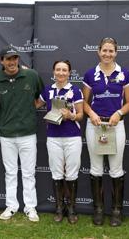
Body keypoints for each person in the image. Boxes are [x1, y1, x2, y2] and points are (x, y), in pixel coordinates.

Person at [82, 37, 129, 226]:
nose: (107, 54)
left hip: (115, 126)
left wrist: (119, 113)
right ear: (98, 51)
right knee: (96, 168)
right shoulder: (90, 74)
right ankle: (98, 210)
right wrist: (92, 114)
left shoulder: (124, 74)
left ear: (116, 53)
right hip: (95, 125)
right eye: (104, 50)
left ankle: (117, 211)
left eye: (111, 51)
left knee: (115, 168)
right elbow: (83, 102)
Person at [0, 46, 44, 222]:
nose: (12, 62)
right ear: (1, 61)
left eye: (15, 58)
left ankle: (30, 208)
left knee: (29, 173)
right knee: (10, 172)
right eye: (8, 59)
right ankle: (11, 206)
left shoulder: (31, 75)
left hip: (28, 133)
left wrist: (28, 111)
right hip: (6, 134)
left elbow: (41, 97)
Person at [35, 60, 84, 224]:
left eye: (64, 70)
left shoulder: (75, 91)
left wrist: (71, 116)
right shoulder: (48, 90)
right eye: (58, 69)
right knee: (56, 173)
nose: (61, 73)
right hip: (53, 137)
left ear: (69, 73)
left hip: (72, 137)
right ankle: (58, 207)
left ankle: (71, 208)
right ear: (53, 72)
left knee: (71, 173)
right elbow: (35, 104)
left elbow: (81, 115)